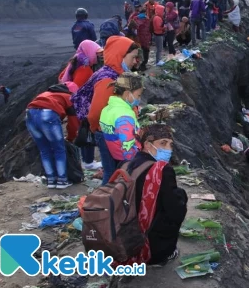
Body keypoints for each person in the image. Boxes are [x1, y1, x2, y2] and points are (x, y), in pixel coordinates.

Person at [117, 124, 188, 267]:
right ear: (148, 145)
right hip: (149, 241)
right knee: (175, 206)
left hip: (125, 231)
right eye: (162, 143)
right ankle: (160, 254)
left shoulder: (126, 164)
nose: (168, 149)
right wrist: (182, 195)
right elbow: (175, 210)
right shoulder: (162, 170)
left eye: (170, 144)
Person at [72, 36, 139, 185]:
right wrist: (104, 130)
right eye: (133, 57)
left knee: (114, 172)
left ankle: (109, 202)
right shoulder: (108, 80)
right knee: (111, 173)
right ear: (120, 55)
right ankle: (105, 203)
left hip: (110, 131)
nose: (135, 62)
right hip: (108, 133)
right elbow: (95, 113)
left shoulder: (115, 75)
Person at [59, 39, 103, 170]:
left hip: (77, 104)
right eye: (97, 53)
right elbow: (79, 88)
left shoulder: (77, 62)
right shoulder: (84, 68)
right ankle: (88, 161)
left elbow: (63, 77)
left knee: (84, 131)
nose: (99, 56)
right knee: (87, 131)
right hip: (82, 104)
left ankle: (85, 160)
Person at [26, 82, 79, 189]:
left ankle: (51, 179)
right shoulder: (69, 97)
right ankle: (62, 180)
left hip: (30, 114)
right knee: (59, 149)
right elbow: (73, 123)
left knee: (44, 150)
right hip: (48, 114)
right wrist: (70, 138)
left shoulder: (46, 94)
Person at [99, 73, 143, 182]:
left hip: (116, 155)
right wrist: (135, 165)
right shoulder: (124, 115)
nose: (139, 99)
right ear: (127, 94)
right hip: (127, 160)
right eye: (138, 95)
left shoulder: (107, 109)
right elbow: (127, 145)